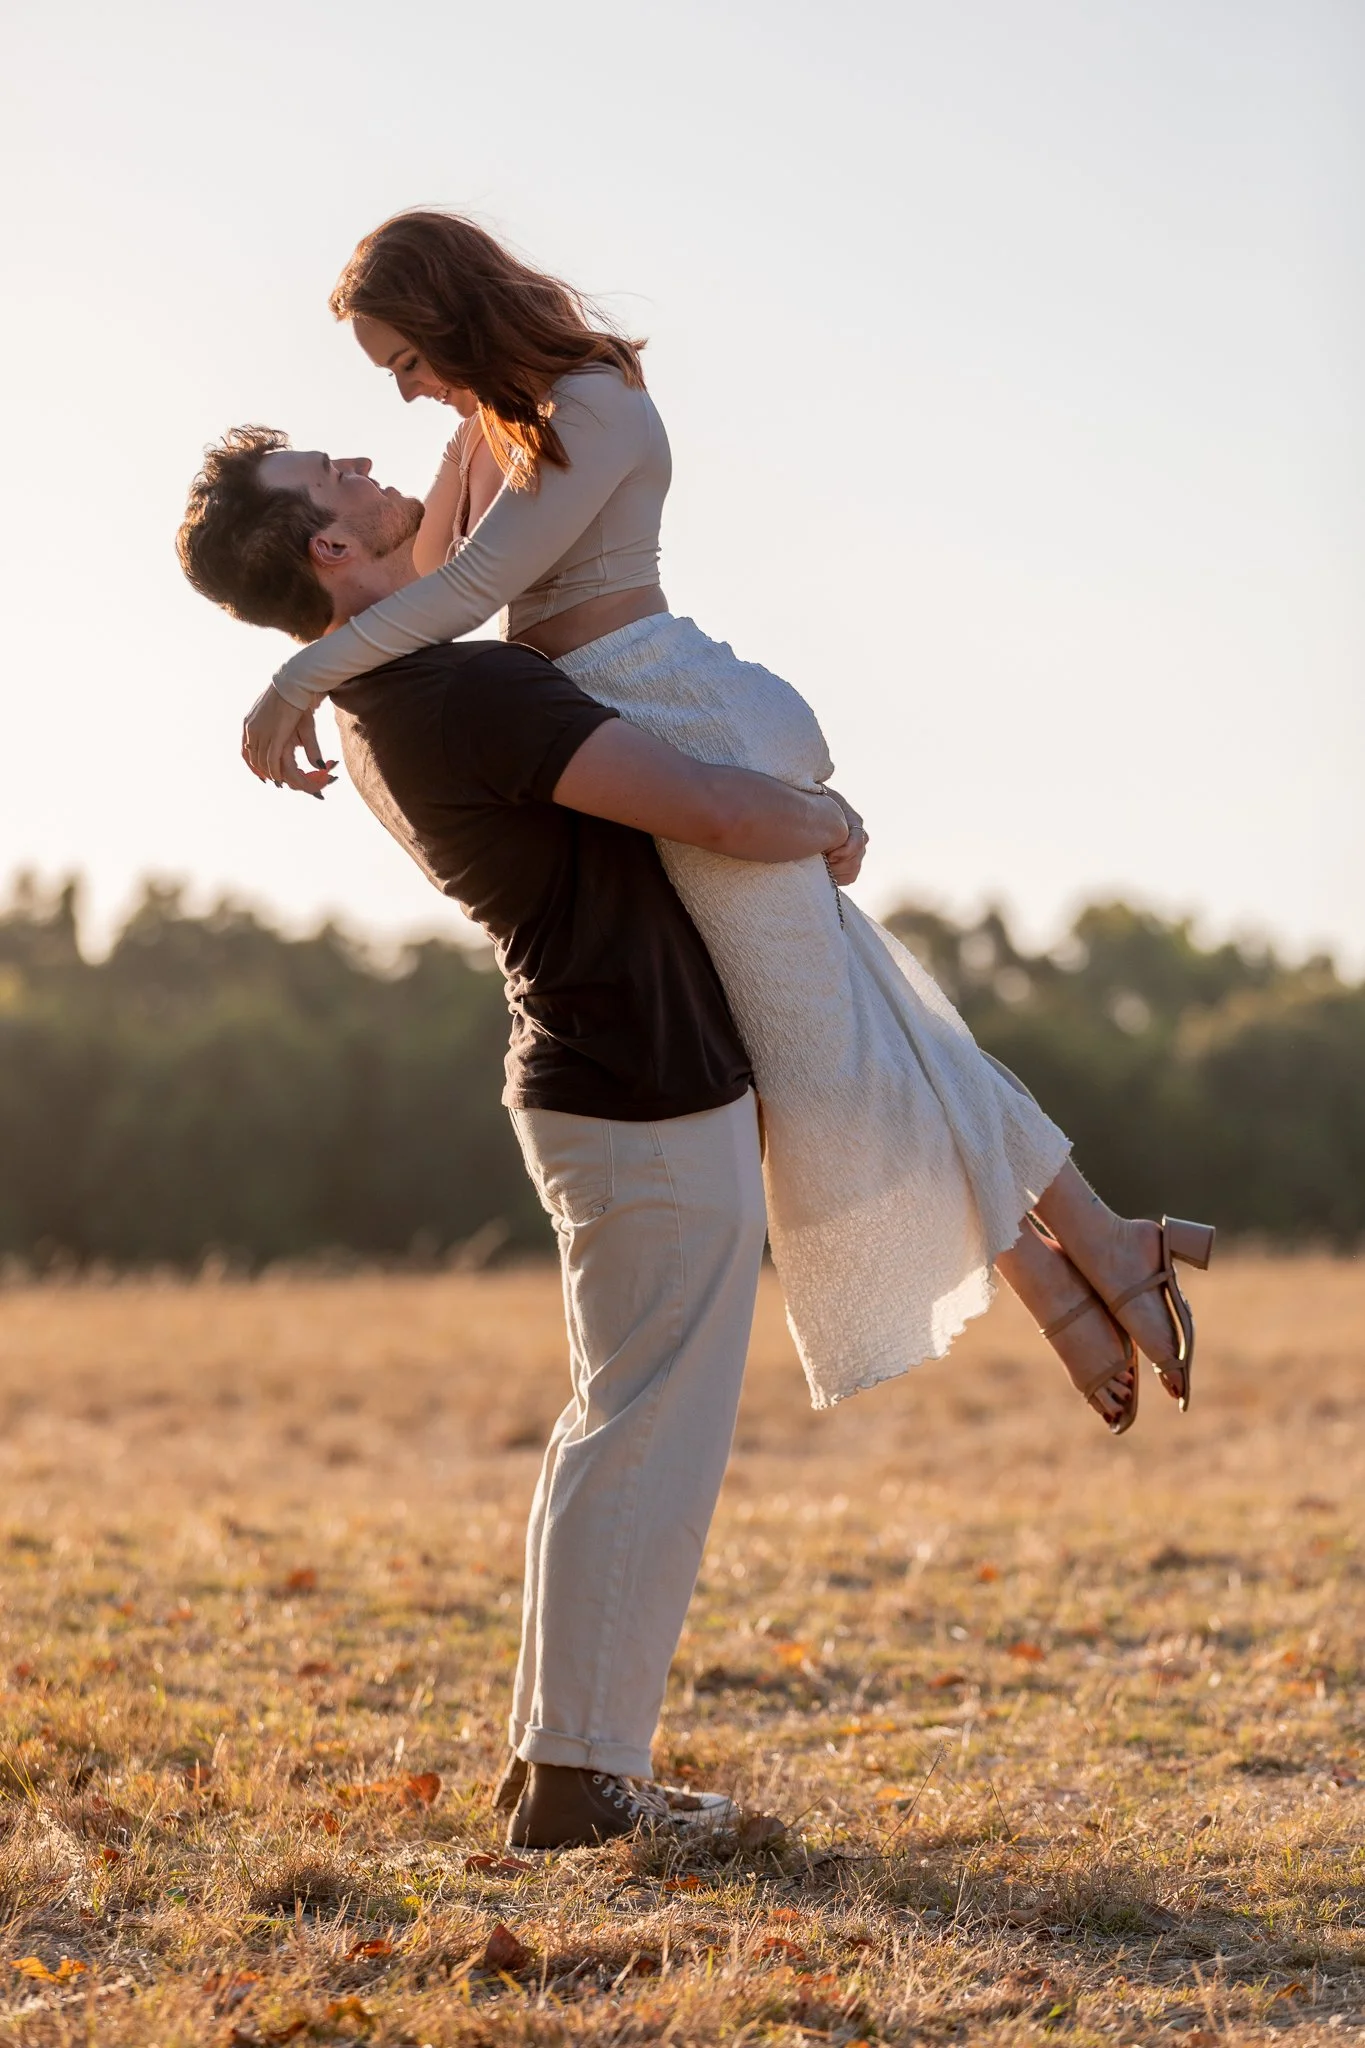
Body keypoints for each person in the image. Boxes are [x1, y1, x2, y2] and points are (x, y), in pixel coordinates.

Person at [236, 211, 1214, 1432]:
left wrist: (299, 679)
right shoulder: (489, 432)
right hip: (641, 736)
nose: (409, 390)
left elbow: (468, 595)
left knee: (827, 1060)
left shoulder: (593, 406)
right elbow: (429, 582)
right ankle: (1106, 1252)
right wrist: (343, 618)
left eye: (407, 361)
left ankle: (1087, 1279)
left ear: (447, 313)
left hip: (684, 719)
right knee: (847, 1032)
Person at [179, 426, 862, 1848]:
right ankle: (579, 1783)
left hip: (608, 1084)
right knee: (642, 1443)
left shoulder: (395, 686)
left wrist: (495, 385)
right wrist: (825, 817)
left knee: (614, 1430)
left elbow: (472, 495)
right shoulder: (462, 690)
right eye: (337, 473)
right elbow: (714, 808)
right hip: (635, 1089)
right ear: (329, 549)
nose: (373, 465)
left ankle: (565, 1762)